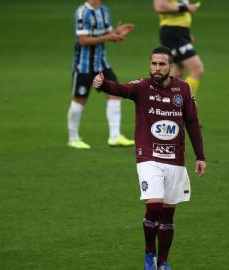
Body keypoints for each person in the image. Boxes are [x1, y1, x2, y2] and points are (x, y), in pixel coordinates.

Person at [93, 46, 206, 270]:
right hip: (148, 156)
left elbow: (192, 122)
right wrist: (103, 84)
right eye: (153, 63)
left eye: (161, 64)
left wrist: (200, 156)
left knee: (168, 215)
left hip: (175, 158)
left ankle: (162, 261)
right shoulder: (142, 87)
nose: (156, 68)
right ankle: (149, 254)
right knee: (154, 206)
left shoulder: (183, 90)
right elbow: (122, 89)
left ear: (171, 67)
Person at [67, 0, 135, 149]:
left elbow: (106, 35)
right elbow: (83, 40)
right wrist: (108, 37)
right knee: (79, 101)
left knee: (115, 94)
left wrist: (117, 33)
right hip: (83, 66)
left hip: (101, 64)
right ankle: (73, 138)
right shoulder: (82, 13)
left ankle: (115, 136)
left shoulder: (104, 10)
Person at [153, 0, 204, 98]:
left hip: (180, 32)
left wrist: (186, 34)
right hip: (173, 32)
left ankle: (163, 104)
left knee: (177, 71)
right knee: (197, 69)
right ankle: (186, 104)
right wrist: (186, 7)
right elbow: (160, 6)